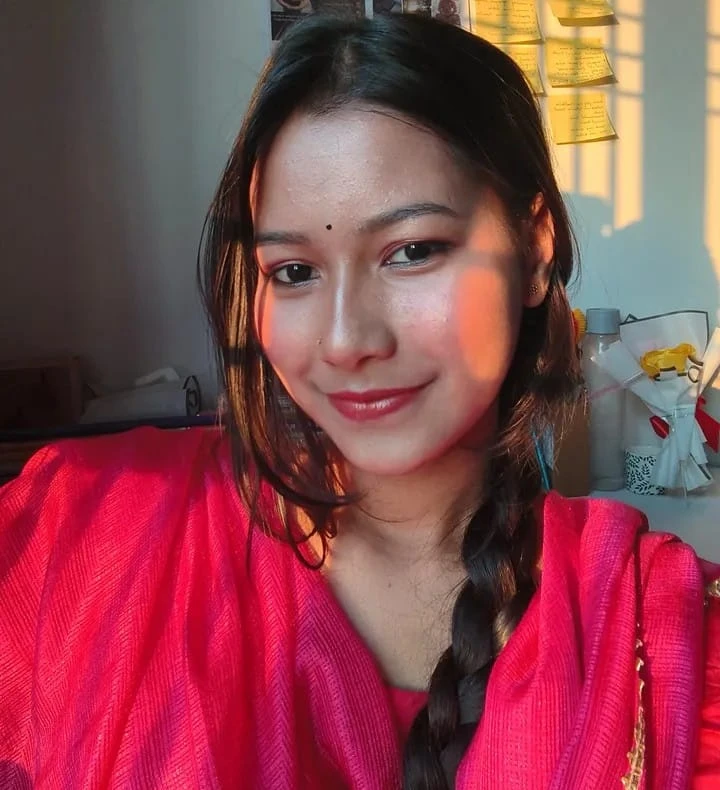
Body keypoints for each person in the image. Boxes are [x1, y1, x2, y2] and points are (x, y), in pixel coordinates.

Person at [1, 12, 719, 790]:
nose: (346, 341)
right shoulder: (85, 533)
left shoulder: (664, 644)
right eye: (293, 271)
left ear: (535, 249)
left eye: (411, 251)